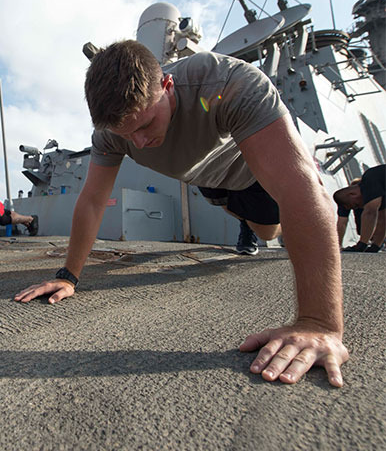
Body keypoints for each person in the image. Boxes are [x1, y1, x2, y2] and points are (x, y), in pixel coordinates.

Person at [15, 40, 349, 387]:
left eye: (144, 125)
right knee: (234, 211)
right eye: (126, 134)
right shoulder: (111, 135)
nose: (138, 142)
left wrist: (319, 324)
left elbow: (308, 194)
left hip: (252, 176)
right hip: (207, 183)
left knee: (268, 232)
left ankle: (254, 227)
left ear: (167, 85)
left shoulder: (227, 84)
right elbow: (92, 201)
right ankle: (242, 222)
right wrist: (68, 276)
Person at [334, 165, 386, 253]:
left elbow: (370, 212)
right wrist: (375, 246)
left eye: (356, 205)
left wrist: (362, 245)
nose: (360, 207)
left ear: (352, 194)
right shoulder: (380, 191)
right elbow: (383, 219)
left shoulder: (369, 179)